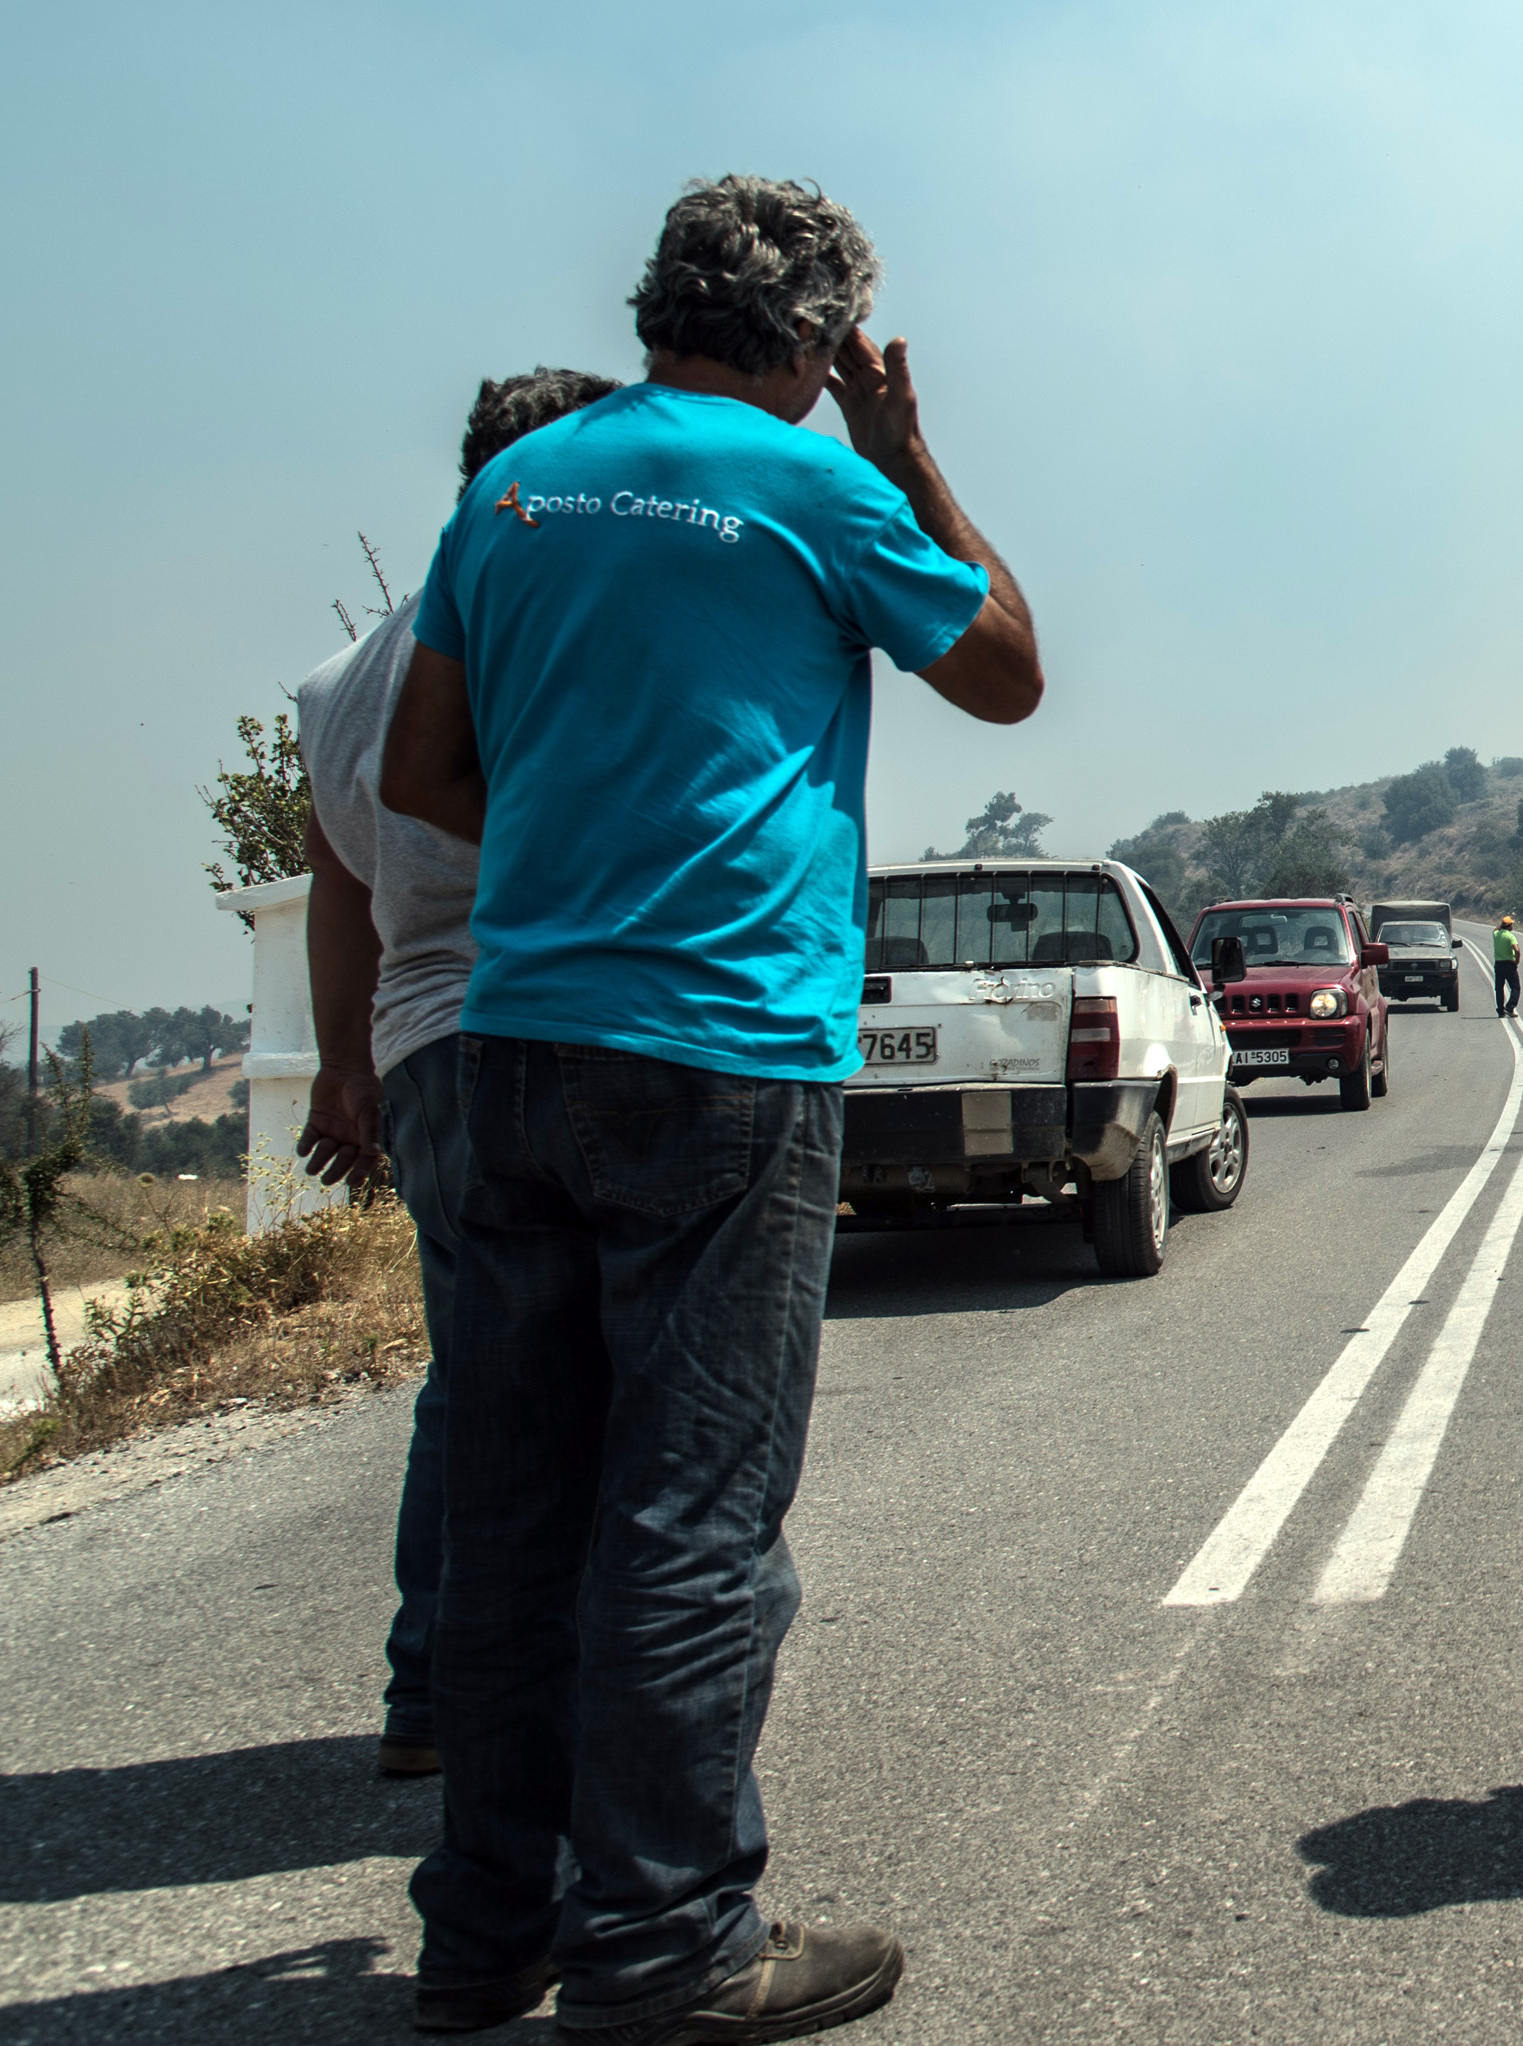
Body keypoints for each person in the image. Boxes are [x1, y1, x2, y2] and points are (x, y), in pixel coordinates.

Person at [381, 176, 1043, 2043]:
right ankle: (668, 1945)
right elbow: (1004, 670)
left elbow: (425, 766)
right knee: (689, 1518)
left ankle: (485, 1935)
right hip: (722, 1047)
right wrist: (911, 459)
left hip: (511, 1044)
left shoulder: (508, 493)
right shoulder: (814, 480)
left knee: (518, 1517)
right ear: (822, 342)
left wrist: (582, 845)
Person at [294, 367, 623, 1784]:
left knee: (476, 1374)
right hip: (557, 1019)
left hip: (423, 1040)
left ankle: (431, 1686)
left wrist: (339, 1066)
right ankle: (583, 1707)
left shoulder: (337, 682)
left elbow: (330, 887)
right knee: (616, 1375)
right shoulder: (523, 621)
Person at [1492, 914, 1523, 1017]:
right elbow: (1516, 950)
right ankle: (1510, 1007)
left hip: (1499, 964)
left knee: (1499, 988)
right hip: (1509, 964)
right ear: (1510, 925)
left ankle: (1500, 1011)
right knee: (1515, 987)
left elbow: (1495, 929)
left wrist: (1501, 925)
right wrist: (1517, 961)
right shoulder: (1510, 936)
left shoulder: (1496, 934)